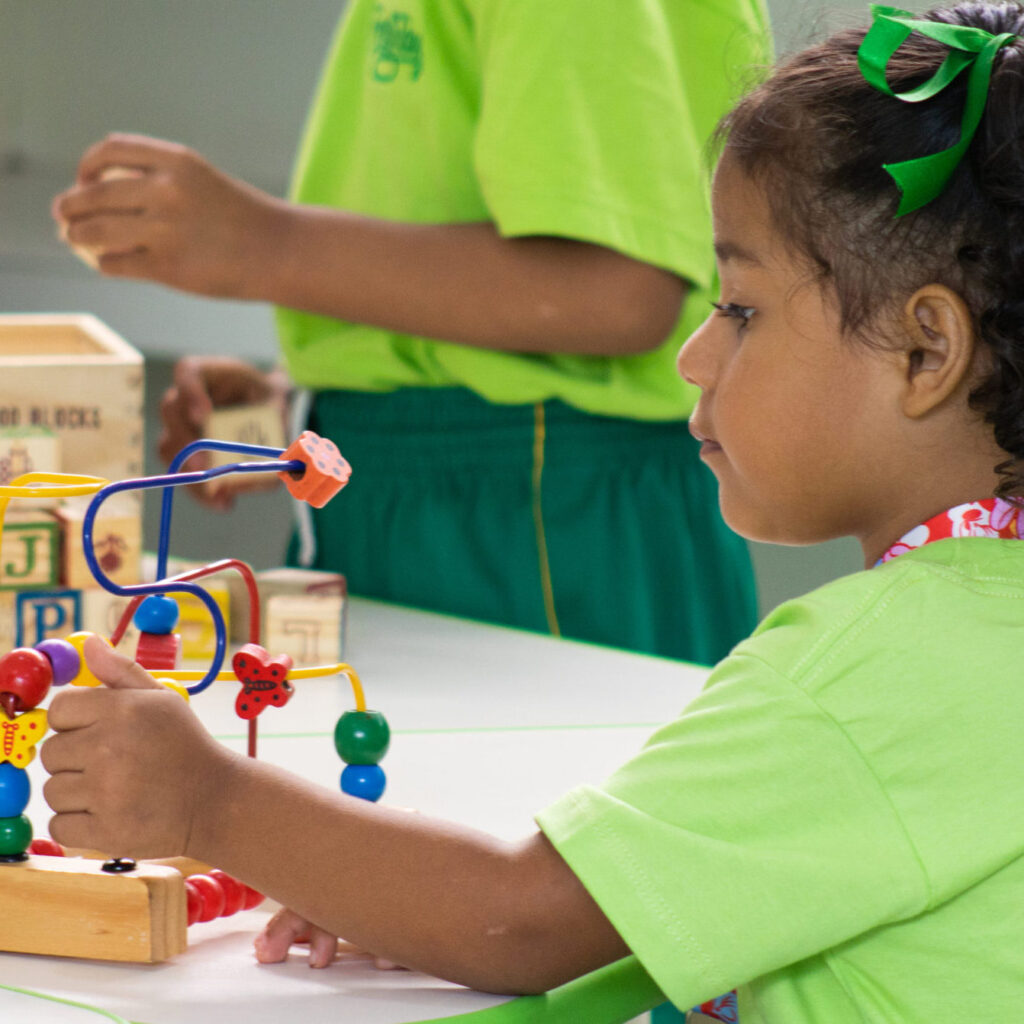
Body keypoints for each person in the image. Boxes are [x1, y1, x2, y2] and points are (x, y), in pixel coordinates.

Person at [41, 2, 1024, 1019]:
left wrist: (211, 800)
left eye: (738, 309)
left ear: (925, 352)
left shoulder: (862, 671)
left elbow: (524, 920)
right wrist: (391, 892)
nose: (694, 354)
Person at [50, 0, 770, 667]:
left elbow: (620, 294)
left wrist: (261, 245)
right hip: (463, 493)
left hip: (545, 517)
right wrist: (331, 399)